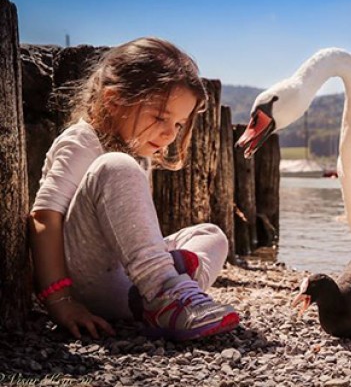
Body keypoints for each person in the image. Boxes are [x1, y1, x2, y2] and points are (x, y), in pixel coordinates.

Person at [28, 37, 239, 341]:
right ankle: (166, 291)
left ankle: (164, 289)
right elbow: (42, 218)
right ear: (114, 100)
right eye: (160, 118)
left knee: (212, 236)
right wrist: (60, 302)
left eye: (178, 125)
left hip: (126, 284)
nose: (169, 134)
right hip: (84, 283)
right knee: (116, 165)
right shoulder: (82, 141)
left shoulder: (137, 154)